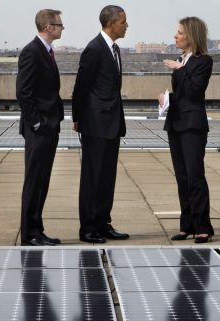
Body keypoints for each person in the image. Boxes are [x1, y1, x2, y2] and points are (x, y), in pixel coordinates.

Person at [71, 5, 130, 244]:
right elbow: (81, 87)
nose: (127, 26)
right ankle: (88, 228)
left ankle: (103, 223)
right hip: (95, 123)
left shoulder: (114, 49)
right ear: (110, 23)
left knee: (107, 176)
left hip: (112, 123)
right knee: (92, 177)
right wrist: (78, 118)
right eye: (123, 22)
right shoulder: (94, 49)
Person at [160, 17, 214, 244]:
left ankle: (203, 226)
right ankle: (187, 225)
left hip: (193, 125)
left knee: (195, 176)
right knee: (182, 177)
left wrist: (179, 69)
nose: (175, 36)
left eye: (180, 32)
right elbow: (182, 95)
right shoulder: (181, 60)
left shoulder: (203, 61)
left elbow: (194, 91)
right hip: (176, 123)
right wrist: (166, 99)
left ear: (191, 35)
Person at [16, 9, 65, 246]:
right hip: (39, 129)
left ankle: (37, 230)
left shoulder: (46, 51)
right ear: (48, 27)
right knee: (34, 181)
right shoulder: (31, 52)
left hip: (49, 127)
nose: (62, 28)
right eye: (59, 24)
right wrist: (37, 123)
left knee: (42, 181)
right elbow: (23, 93)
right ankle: (29, 234)